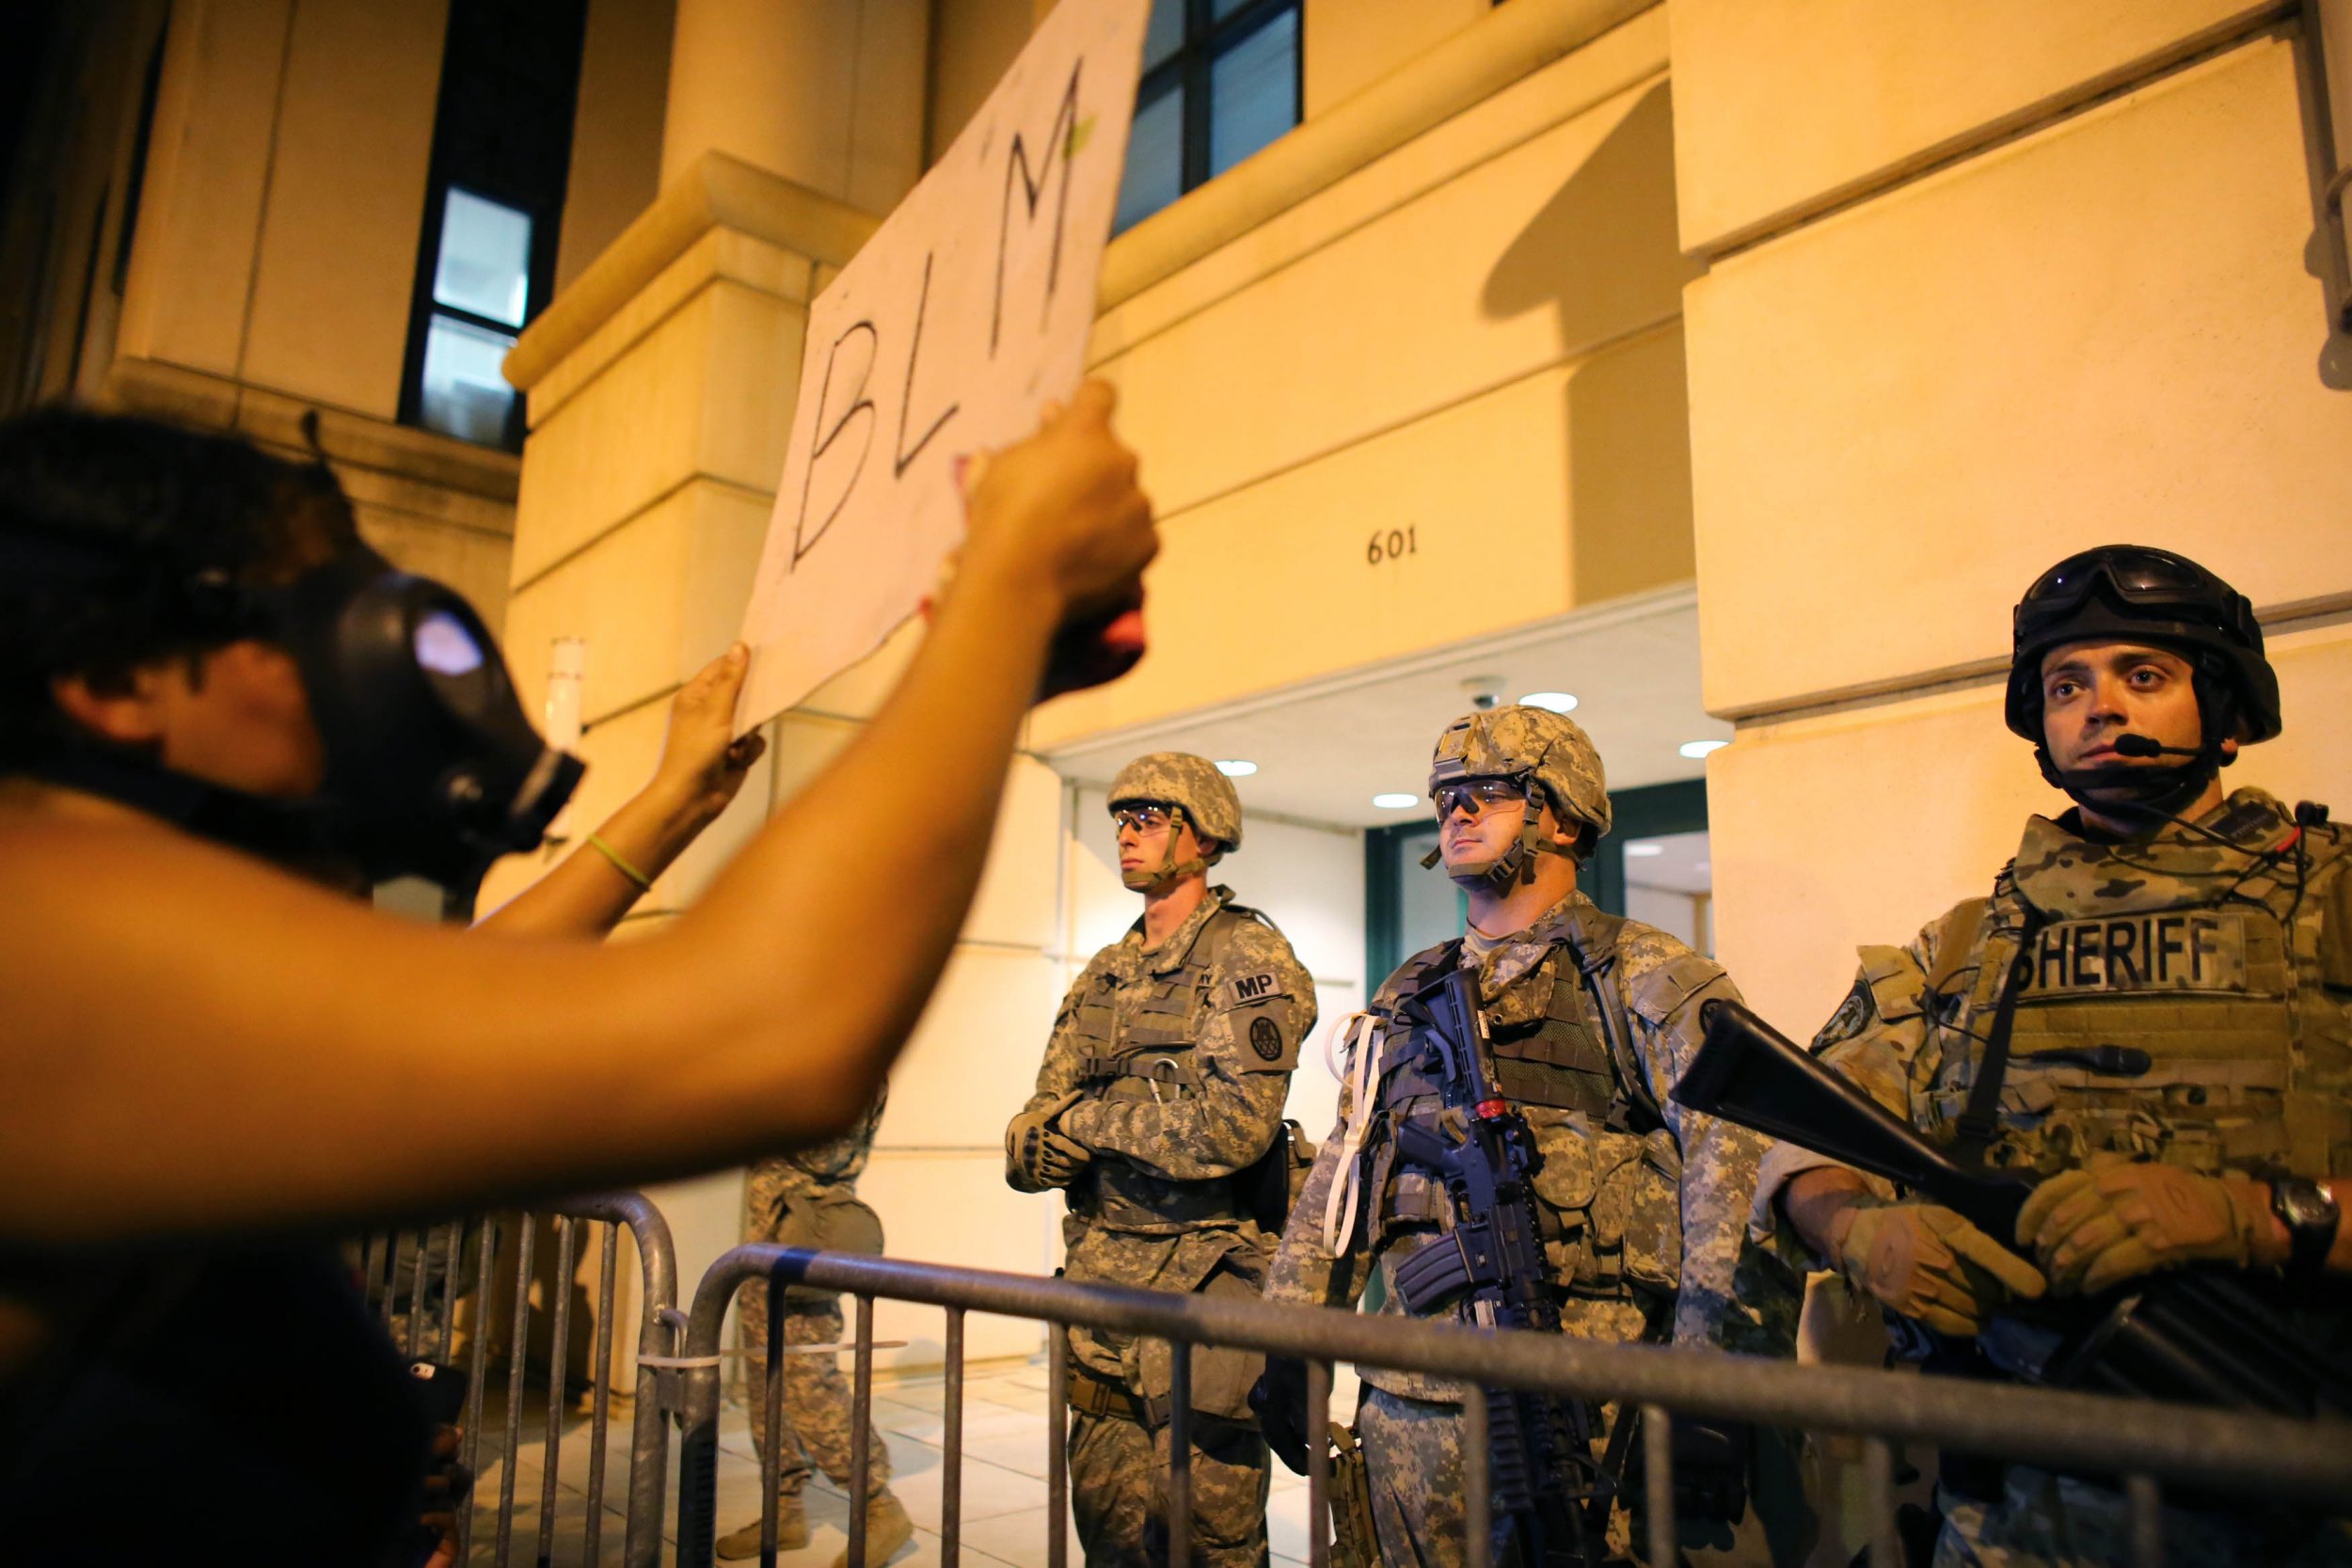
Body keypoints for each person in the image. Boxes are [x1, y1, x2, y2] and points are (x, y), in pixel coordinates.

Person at [0, 383, 1154, 1565]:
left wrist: (672, 803)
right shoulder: (36, 936)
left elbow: (453, 997)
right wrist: (1003, 588)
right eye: (299, 617)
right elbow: (765, 1029)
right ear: (120, 676)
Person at [1761, 545, 2352, 1567]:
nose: (2100, 706)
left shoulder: (2333, 904)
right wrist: (1856, 1229)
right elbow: (1795, 1136)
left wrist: (2259, 1217)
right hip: (2010, 1518)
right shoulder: (1967, 944)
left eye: (2144, 675)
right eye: (2066, 683)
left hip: (2294, 1503)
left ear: (2225, 704)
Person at [1261, 706, 1806, 1568]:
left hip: (1581, 1419)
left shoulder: (1644, 975)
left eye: (1489, 792)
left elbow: (1736, 1181)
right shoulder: (1413, 987)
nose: (1458, 812)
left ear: (1561, 813)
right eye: (1447, 797)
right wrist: (1292, 1338)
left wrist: (1717, 1390)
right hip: (1401, 1413)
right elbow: (1346, 1169)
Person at [1004, 753, 1315, 1568]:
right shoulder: (1107, 972)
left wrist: (1093, 1124)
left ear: (1202, 834)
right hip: (1101, 1292)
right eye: (1121, 818)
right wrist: (1042, 1137)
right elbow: (1038, 1119)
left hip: (1204, 1291)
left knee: (1207, 1542)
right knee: (1108, 1530)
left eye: (1147, 817)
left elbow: (1233, 1128)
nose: (1125, 833)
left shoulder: (1249, 961)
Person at [716, 1090, 911, 1565]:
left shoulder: (843, 1055)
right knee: (768, 1383)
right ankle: (782, 1508)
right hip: (769, 1243)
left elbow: (825, 1152)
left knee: (807, 1382)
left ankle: (878, 1504)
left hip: (809, 1239)